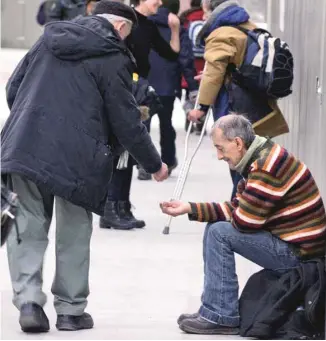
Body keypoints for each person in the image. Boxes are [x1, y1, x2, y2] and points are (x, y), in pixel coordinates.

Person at [1, 0, 168, 333]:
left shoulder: (49, 38)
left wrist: (35, 120)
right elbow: (126, 120)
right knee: (73, 231)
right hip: (79, 156)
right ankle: (70, 311)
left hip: (27, 144)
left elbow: (13, 88)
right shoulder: (113, 57)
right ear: (121, 27)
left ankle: (30, 302)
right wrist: (154, 163)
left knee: (29, 224)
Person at [161, 114, 326, 335]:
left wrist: (234, 207)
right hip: (295, 246)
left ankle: (221, 315)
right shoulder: (259, 156)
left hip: (300, 255)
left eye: (221, 148)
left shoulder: (266, 167)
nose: (219, 156)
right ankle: (215, 310)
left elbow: (244, 221)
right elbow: (239, 209)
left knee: (219, 232)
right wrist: (189, 208)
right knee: (216, 227)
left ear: (238, 143)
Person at [186, 0, 289, 200]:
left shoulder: (220, 34)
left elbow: (213, 74)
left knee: (237, 159)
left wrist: (201, 107)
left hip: (234, 105)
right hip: (256, 104)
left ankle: (240, 209)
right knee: (252, 158)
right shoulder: (248, 27)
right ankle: (245, 206)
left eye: (206, 11)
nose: (204, 15)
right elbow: (234, 67)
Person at [99, 0, 181, 230]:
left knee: (128, 154)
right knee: (119, 151)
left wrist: (175, 29)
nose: (160, 3)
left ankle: (122, 206)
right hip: (121, 90)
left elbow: (171, 54)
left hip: (135, 91)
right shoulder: (123, 22)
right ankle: (110, 208)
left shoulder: (147, 25)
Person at [148, 0, 198, 176]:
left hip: (144, 84)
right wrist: (193, 88)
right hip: (167, 84)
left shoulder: (144, 24)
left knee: (142, 123)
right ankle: (168, 161)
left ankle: (143, 165)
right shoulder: (178, 28)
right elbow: (185, 59)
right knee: (166, 124)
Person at [179, 0, 205, 134]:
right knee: (205, 94)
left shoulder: (186, 17)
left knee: (191, 93)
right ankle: (201, 122)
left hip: (190, 62)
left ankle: (189, 117)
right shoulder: (208, 16)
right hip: (205, 63)